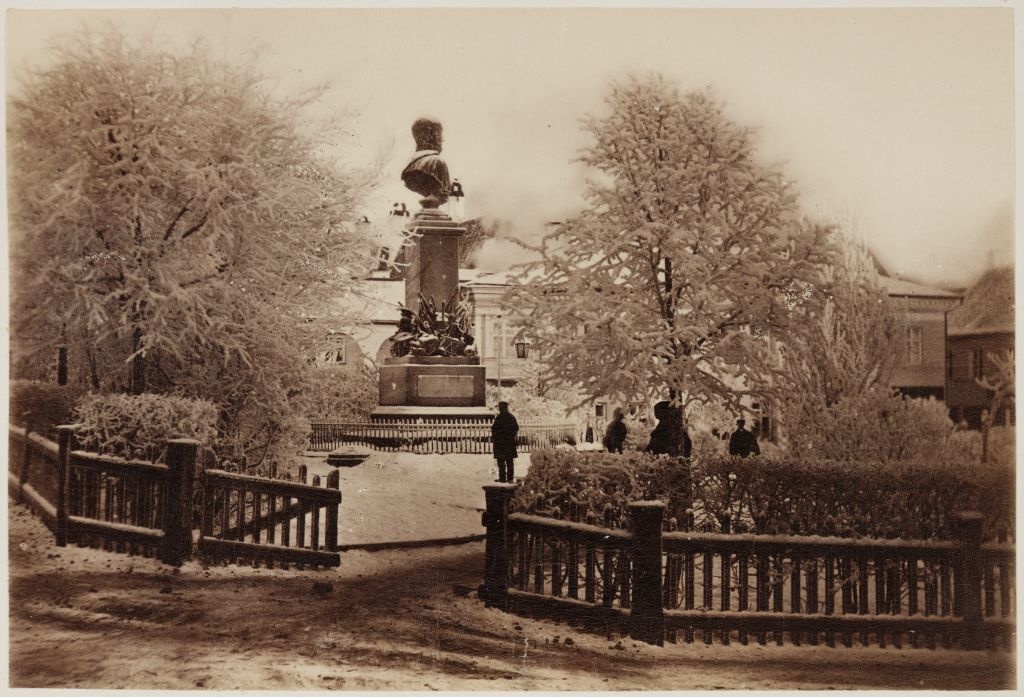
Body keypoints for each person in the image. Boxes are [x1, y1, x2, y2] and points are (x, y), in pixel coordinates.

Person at [491, 401, 519, 483]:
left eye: (500, 407)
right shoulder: (511, 417)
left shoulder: (499, 417)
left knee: (501, 462)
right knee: (509, 462)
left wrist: (496, 436)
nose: (499, 409)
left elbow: (494, 429)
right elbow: (516, 428)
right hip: (509, 443)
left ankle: (502, 478)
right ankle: (510, 478)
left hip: (500, 443)